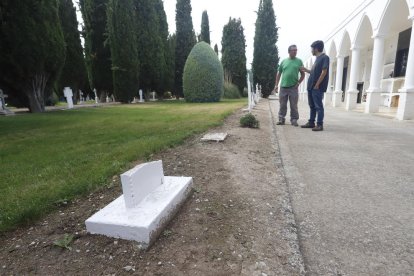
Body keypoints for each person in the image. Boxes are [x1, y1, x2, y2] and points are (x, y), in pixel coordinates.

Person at [300, 40, 330, 131]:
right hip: (311, 86)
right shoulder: (316, 59)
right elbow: (314, 73)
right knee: (312, 105)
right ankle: (311, 122)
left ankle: (320, 124)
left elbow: (324, 72)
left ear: (316, 49)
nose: (311, 51)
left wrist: (317, 84)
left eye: (312, 49)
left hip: (317, 87)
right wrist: (306, 70)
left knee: (318, 106)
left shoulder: (325, 58)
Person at [273, 45, 305, 126]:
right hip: (283, 87)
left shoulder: (299, 61)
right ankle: (281, 119)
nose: (295, 52)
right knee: (282, 105)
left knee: (294, 105)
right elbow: (279, 74)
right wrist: (276, 85)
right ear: (289, 51)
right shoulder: (283, 62)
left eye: (296, 50)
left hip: (293, 87)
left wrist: (298, 83)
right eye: (293, 50)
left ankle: (294, 120)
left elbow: (303, 75)